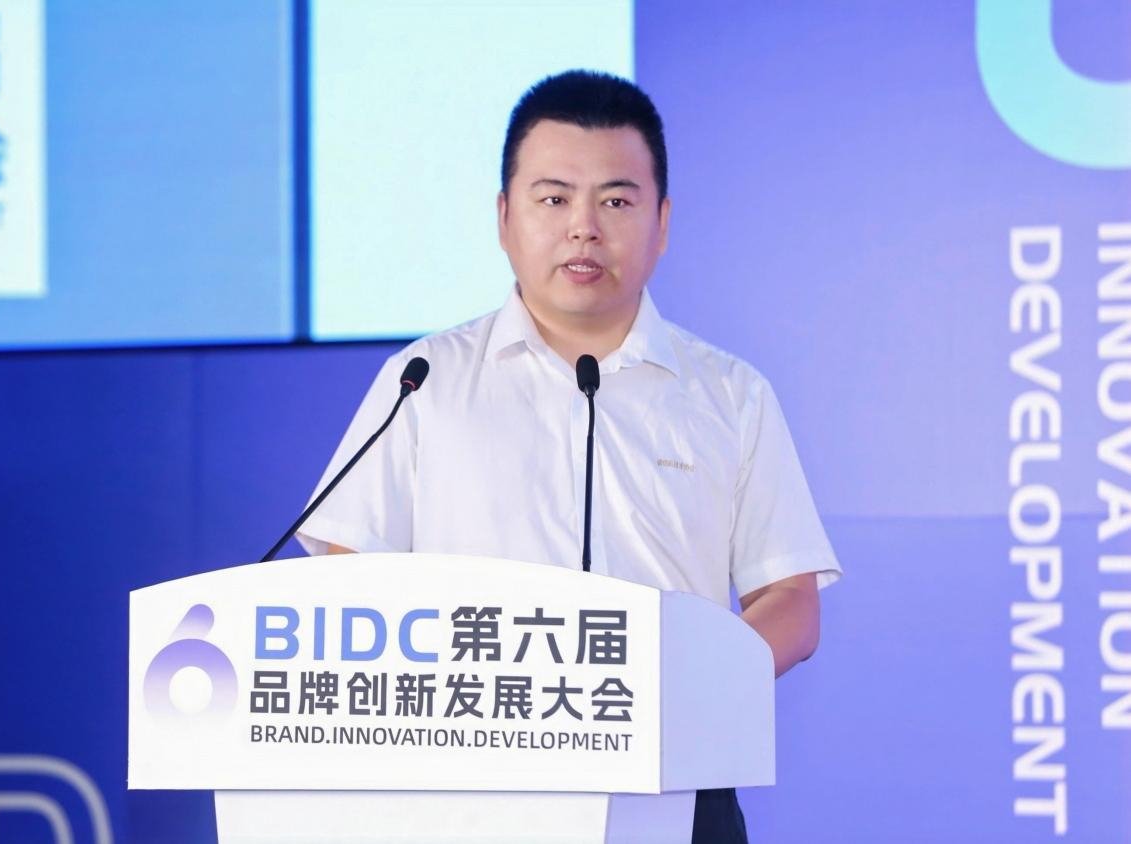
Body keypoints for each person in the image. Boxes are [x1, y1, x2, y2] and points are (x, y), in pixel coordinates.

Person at [297, 69, 841, 844]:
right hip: (466, 797)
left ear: (662, 221)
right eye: (553, 199)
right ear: (503, 217)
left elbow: (790, 599)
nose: (583, 228)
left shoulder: (729, 394)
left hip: (674, 784)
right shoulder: (423, 381)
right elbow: (345, 575)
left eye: (615, 202)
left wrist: (685, 687)